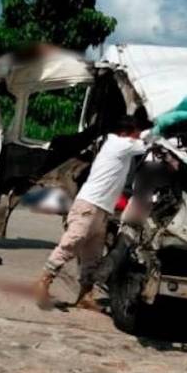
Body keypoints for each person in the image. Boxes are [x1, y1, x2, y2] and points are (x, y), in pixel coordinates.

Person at [33, 116, 149, 310]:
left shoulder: (119, 145)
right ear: (125, 133)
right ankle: (43, 282)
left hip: (101, 209)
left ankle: (85, 296)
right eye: (135, 134)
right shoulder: (118, 144)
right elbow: (147, 144)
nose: (136, 137)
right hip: (89, 205)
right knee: (71, 243)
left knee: (92, 255)